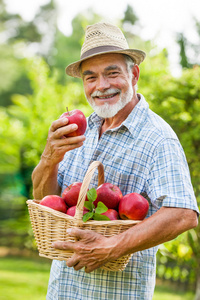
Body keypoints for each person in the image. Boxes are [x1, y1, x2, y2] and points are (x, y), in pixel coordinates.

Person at [32, 22, 199, 300]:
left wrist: (113, 246)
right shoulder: (78, 130)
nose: (102, 86)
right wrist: (50, 157)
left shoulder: (157, 138)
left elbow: (183, 214)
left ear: (134, 75)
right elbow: (46, 200)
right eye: (91, 77)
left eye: (112, 73)